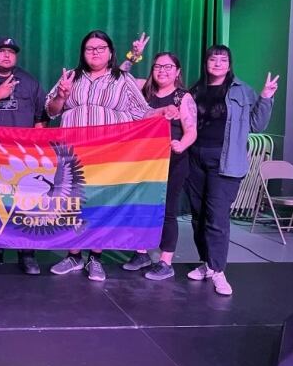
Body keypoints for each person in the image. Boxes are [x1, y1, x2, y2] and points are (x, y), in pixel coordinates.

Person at [45, 30, 174, 282]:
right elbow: (50, 111)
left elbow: (142, 112)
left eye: (100, 48)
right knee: (75, 202)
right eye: (90, 48)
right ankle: (73, 255)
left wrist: (163, 111)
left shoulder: (122, 79)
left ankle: (95, 257)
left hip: (109, 154)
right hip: (73, 151)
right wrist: (61, 94)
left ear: (111, 52)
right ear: (82, 53)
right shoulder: (71, 77)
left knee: (101, 202)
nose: (95, 52)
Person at [185, 45, 278, 295]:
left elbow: (256, 125)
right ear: (205, 63)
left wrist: (266, 96)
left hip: (225, 162)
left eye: (223, 60)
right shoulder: (194, 91)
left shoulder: (242, 90)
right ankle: (207, 263)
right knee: (198, 217)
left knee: (216, 217)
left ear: (229, 64)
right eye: (212, 59)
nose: (217, 63)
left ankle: (218, 270)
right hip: (195, 159)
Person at [120, 52, 197, 280]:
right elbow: (119, 78)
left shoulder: (183, 97)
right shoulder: (144, 89)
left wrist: (181, 144)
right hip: (145, 161)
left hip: (173, 160)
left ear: (178, 71)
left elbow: (191, 130)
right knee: (142, 206)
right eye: (158, 66)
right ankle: (142, 253)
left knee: (167, 211)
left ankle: (165, 261)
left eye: (168, 66)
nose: (162, 70)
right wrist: (133, 56)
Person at [0, 37, 47, 275]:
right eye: (1, 51)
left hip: (23, 156)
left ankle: (26, 254)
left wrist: (37, 149)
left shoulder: (28, 81)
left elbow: (41, 117)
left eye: (11, 52)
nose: (6, 55)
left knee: (25, 205)